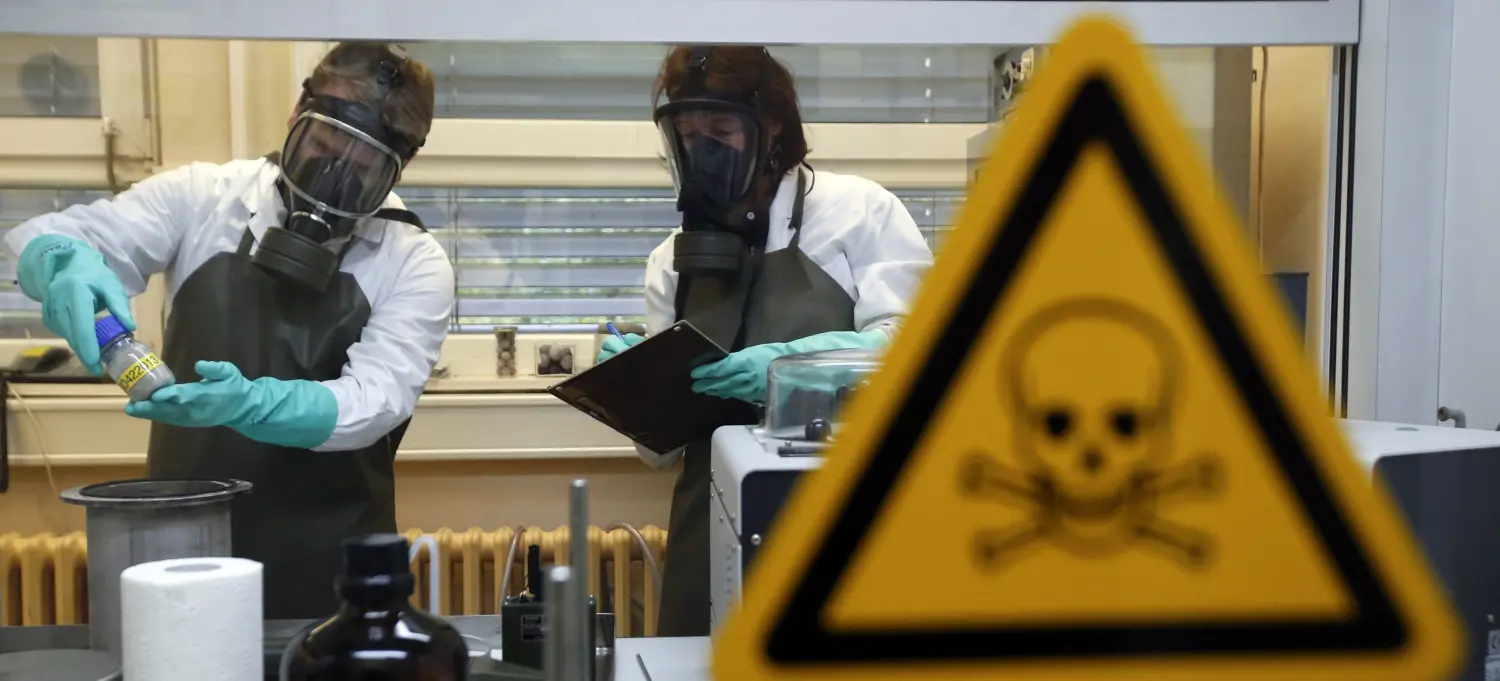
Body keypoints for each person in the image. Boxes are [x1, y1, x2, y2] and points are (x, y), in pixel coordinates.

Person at [6, 42, 455, 619]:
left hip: (333, 565)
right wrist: (63, 263)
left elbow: (376, 400)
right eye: (320, 145)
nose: (330, 179)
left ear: (399, 169)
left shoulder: (413, 261)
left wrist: (251, 403)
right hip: (181, 547)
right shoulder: (201, 198)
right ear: (296, 118)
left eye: (360, 169)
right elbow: (71, 233)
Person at [596, 46, 934, 636]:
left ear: (771, 126)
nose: (704, 149)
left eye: (721, 129)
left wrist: (794, 368)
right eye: (688, 132)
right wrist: (637, 391)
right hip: (708, 537)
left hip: (844, 525)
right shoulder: (669, 263)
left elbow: (920, 351)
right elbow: (658, 455)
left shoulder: (859, 214)